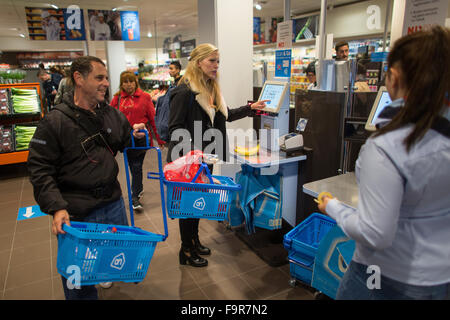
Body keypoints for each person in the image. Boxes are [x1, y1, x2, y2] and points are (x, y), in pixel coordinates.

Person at [318, 26, 450, 300]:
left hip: (384, 278)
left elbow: (375, 234)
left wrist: (332, 207)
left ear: (394, 77)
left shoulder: (387, 147)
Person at [27, 56, 147, 300]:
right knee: (78, 283)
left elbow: (127, 145)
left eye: (106, 78)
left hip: (112, 205)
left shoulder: (111, 115)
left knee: (113, 261)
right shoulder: (54, 122)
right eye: (99, 77)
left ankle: (102, 273)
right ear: (79, 79)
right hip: (76, 213)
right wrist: (56, 206)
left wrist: (137, 137)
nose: (105, 83)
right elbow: (39, 168)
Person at [167, 43, 268, 267]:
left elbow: (226, 115)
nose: (216, 65)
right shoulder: (184, 92)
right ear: (197, 62)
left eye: (218, 61)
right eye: (212, 60)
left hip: (206, 159)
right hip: (190, 161)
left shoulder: (210, 89)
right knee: (188, 206)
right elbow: (173, 129)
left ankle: (194, 241)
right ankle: (185, 250)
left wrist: (251, 108)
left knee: (198, 204)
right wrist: (194, 152)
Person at [110, 71, 165, 211]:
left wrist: (159, 139)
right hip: (125, 140)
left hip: (141, 139)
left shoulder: (145, 97)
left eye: (131, 81)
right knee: (134, 167)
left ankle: (135, 196)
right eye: (125, 82)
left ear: (136, 82)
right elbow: (110, 119)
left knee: (135, 166)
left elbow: (153, 119)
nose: (128, 85)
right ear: (121, 84)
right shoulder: (116, 99)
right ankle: (138, 189)